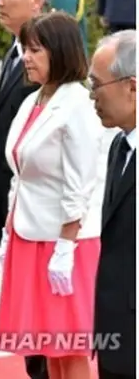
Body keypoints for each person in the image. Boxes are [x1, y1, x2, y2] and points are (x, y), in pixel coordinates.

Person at [0, 11, 106, 379]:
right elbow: (21, 173)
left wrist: (65, 248)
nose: (26, 57)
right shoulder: (35, 100)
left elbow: (81, 183)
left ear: (59, 52)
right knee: (50, 348)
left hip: (65, 245)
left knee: (71, 350)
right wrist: (9, 230)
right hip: (31, 236)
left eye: (35, 50)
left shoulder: (77, 104)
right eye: (25, 49)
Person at [0, 0, 53, 375]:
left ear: (37, 0)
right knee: (22, 305)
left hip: (30, 210)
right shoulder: (17, 48)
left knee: (38, 312)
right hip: (3, 202)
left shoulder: (47, 58)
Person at [89, 30, 136, 379]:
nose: (92, 96)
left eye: (97, 85)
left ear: (131, 87)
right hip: (114, 329)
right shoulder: (119, 145)